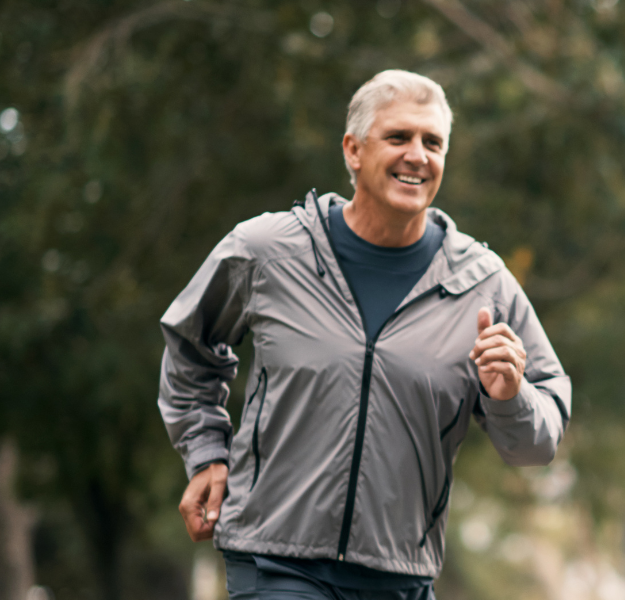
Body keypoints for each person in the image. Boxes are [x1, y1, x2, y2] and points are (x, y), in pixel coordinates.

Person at [158, 70, 570, 600]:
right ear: (353, 150)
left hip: (400, 576)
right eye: (398, 138)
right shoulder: (266, 252)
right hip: (276, 561)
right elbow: (190, 346)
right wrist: (205, 452)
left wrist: (509, 396)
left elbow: (536, 445)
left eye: (433, 142)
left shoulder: (482, 284)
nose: (417, 155)